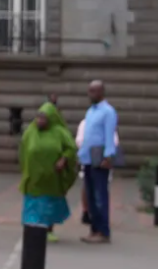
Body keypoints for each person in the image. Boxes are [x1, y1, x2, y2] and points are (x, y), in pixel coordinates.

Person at [19, 103, 77, 243]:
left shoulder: (60, 132)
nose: (40, 121)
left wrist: (63, 159)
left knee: (49, 205)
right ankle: (31, 229)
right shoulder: (30, 132)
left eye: (43, 118)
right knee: (33, 205)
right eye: (38, 117)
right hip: (34, 178)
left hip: (52, 179)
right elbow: (23, 151)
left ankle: (49, 229)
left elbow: (71, 148)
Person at [78, 80, 117, 244]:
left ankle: (103, 231)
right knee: (91, 196)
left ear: (101, 92)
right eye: (89, 91)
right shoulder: (90, 111)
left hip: (100, 158)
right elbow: (87, 137)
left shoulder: (108, 112)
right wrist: (80, 156)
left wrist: (109, 156)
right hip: (88, 158)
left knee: (100, 195)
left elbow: (109, 135)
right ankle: (94, 229)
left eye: (93, 91)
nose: (90, 94)